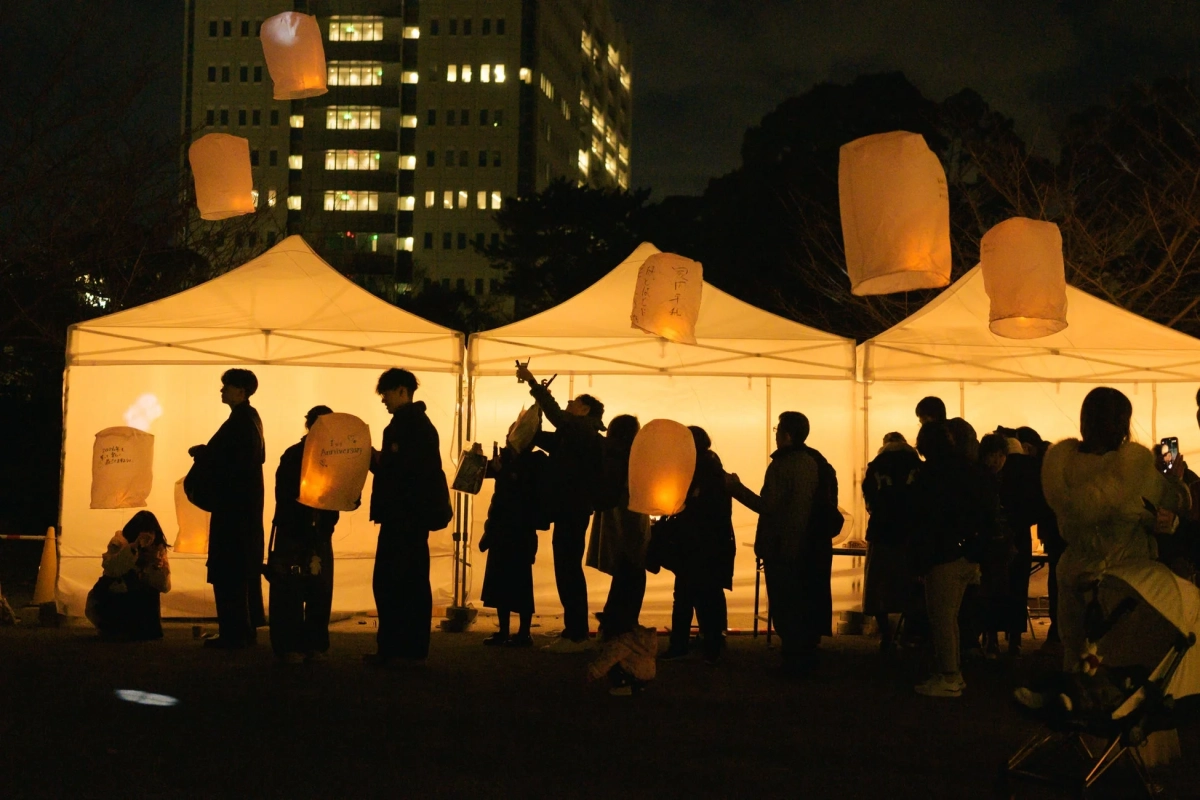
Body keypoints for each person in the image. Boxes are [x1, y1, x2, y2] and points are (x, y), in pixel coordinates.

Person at [1042, 387, 1189, 672]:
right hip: (1122, 578)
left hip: (1074, 570)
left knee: (1076, 655)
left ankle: (1072, 700)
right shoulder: (1132, 469)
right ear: (1123, 424)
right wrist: (1173, 478)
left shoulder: (1061, 468)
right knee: (1117, 661)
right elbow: (1174, 505)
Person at [728, 412, 829, 676]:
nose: (775, 433)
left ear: (786, 435)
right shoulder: (812, 462)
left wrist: (735, 488)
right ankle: (805, 658)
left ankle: (793, 661)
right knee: (801, 605)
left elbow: (767, 507)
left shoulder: (781, 466)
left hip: (781, 547)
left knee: (785, 608)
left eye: (778, 429)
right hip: (806, 546)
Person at [364, 368, 452, 666]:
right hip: (411, 518)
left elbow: (401, 473)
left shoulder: (408, 426)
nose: (383, 400)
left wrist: (377, 460)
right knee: (410, 582)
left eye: (386, 393)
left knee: (394, 583)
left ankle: (396, 648)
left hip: (403, 518)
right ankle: (409, 648)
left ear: (402, 391)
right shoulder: (418, 424)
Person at [515, 363, 605, 651]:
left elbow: (557, 419)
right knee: (566, 569)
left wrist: (534, 384)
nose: (569, 405)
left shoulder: (581, 431)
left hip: (572, 510)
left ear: (585, 411)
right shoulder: (575, 435)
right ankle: (572, 629)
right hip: (569, 510)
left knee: (568, 570)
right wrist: (528, 425)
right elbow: (545, 438)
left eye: (575, 403)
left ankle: (577, 634)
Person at [911, 421, 992, 697]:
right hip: (967, 553)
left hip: (942, 554)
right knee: (952, 617)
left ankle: (949, 675)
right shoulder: (970, 470)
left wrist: (922, 559)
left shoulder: (930, 474)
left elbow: (924, 520)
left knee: (942, 618)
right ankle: (952, 672)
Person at [189, 368, 266, 649]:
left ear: (240, 391)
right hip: (245, 510)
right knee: (241, 570)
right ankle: (243, 629)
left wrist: (204, 453)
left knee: (229, 570)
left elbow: (230, 462)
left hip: (234, 511)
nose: (221, 390)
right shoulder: (250, 420)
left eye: (227, 386)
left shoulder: (240, 422)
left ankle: (235, 632)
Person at [268, 405, 340, 664]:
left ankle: (300, 645)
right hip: (302, 530)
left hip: (306, 530)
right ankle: (304, 645)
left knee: (305, 590)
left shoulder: (300, 454)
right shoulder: (298, 456)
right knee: (303, 589)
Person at [663, 426, 737, 664]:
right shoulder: (712, 465)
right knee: (708, 595)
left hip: (695, 543)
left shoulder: (699, 470)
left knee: (686, 595)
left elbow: (691, 506)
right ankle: (712, 642)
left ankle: (681, 645)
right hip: (711, 543)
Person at [479, 436, 548, 648]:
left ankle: (523, 632)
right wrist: (480, 459)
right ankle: (505, 631)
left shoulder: (534, 462)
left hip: (521, 529)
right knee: (502, 581)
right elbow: (481, 474)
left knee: (520, 582)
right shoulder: (507, 459)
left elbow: (525, 490)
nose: (510, 439)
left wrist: (504, 472)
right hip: (502, 528)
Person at [588, 415, 651, 641]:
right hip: (632, 516)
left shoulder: (608, 452)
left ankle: (614, 619)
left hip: (617, 516)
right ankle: (623, 622)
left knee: (624, 571)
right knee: (633, 571)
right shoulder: (630, 456)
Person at [861, 432, 921, 652]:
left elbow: (870, 501)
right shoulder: (918, 466)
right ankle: (907, 634)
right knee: (912, 586)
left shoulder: (876, 466)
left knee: (879, 586)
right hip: (911, 534)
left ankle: (886, 635)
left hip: (881, 533)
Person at [86, 511, 171, 641]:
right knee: (129, 584)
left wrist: (155, 566)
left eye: (151, 534)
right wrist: (133, 549)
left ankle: (142, 629)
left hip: (138, 597)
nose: (148, 539)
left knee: (148, 590)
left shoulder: (157, 549)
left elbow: (164, 587)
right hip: (113, 594)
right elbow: (113, 569)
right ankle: (115, 627)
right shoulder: (119, 543)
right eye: (143, 534)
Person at [975, 433, 1016, 659]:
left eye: (1002, 456)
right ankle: (988, 639)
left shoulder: (996, 479)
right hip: (988, 546)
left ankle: (990, 639)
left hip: (995, 547)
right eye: (995, 455)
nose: (999, 460)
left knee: (993, 593)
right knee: (990, 593)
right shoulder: (984, 480)